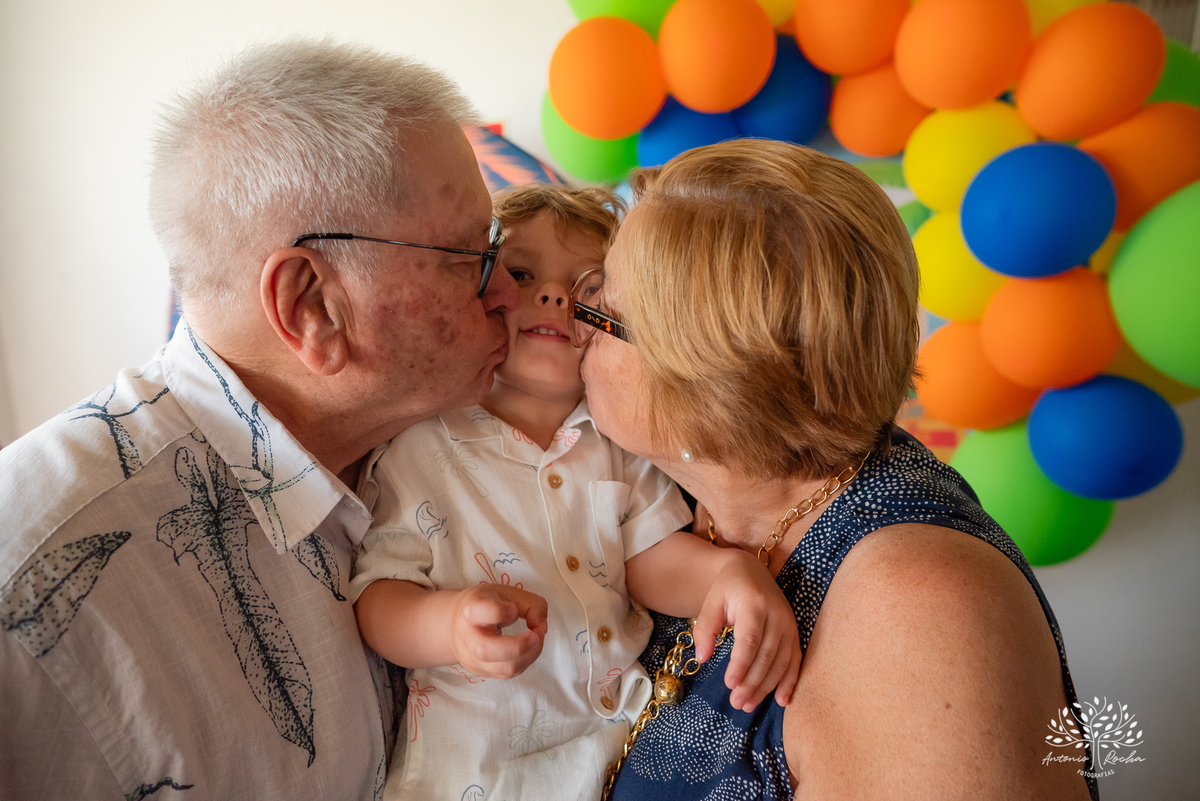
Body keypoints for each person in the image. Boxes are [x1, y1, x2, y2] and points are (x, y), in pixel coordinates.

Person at [0, 39, 519, 800]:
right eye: (471, 257)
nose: (506, 290)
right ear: (312, 307)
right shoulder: (27, 587)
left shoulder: (442, 443)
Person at [577, 140, 1099, 801]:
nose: (576, 314)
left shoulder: (922, 611)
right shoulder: (674, 493)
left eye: (606, 309)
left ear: (708, 395)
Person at [350, 184, 803, 801]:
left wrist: (727, 574)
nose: (554, 295)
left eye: (586, 285)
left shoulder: (617, 438)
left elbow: (648, 560)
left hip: (617, 753)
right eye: (523, 272)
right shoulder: (425, 444)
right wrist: (449, 626)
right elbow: (377, 598)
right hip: (476, 770)